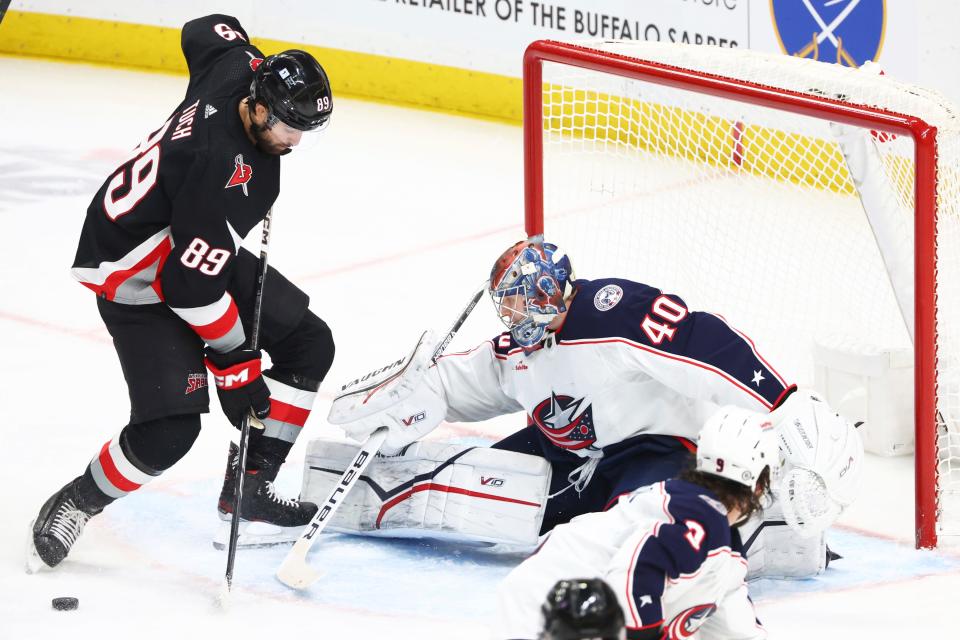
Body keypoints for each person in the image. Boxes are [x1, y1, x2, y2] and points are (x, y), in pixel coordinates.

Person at [324, 238, 861, 579]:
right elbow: (463, 380)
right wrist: (414, 401)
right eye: (504, 304)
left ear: (547, 291)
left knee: (636, 542)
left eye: (517, 299)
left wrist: (782, 401)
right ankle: (365, 492)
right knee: (485, 487)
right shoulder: (518, 349)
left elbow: (702, 339)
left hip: (656, 447)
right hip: (565, 450)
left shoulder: (613, 312)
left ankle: (761, 531)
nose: (509, 314)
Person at [27, 14, 335, 571]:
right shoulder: (222, 173)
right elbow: (189, 291)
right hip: (133, 277)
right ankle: (77, 499)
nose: (295, 141)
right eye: (289, 127)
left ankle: (249, 492)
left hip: (188, 238)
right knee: (170, 431)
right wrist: (236, 364)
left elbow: (207, 27)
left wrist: (253, 57)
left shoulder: (240, 69)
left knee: (311, 344)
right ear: (260, 109)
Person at [497, 406, 778, 640]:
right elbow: (636, 572)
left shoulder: (721, 543)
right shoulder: (700, 516)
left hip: (553, 600)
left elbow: (736, 627)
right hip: (549, 606)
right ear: (759, 479)